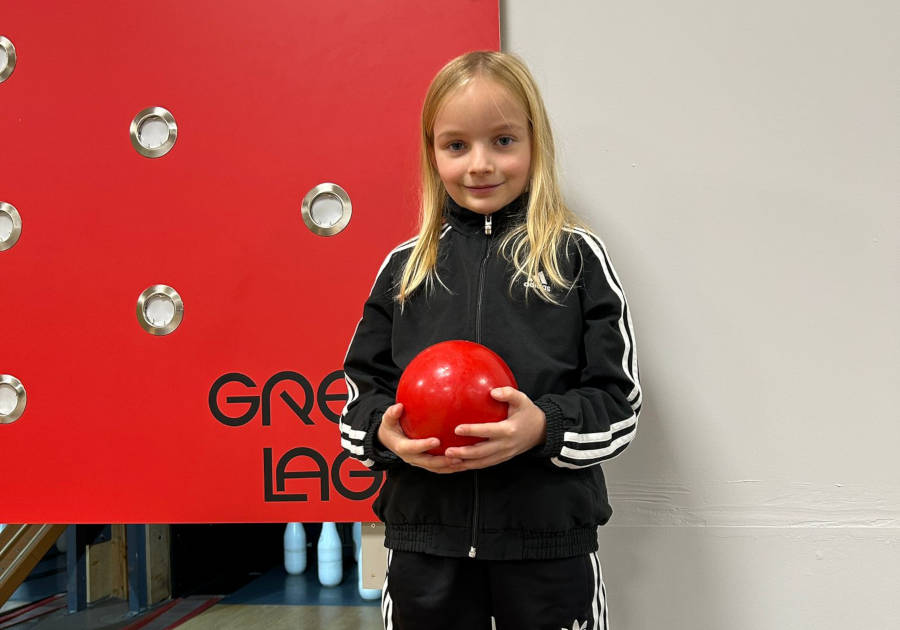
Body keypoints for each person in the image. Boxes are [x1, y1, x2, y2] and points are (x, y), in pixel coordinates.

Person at [340, 50, 641, 630]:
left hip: (548, 551)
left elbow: (619, 405)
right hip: (425, 550)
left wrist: (544, 427)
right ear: (432, 153)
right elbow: (357, 397)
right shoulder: (405, 268)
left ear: (536, 145)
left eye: (503, 141)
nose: (479, 164)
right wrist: (385, 432)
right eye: (456, 146)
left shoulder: (576, 259)